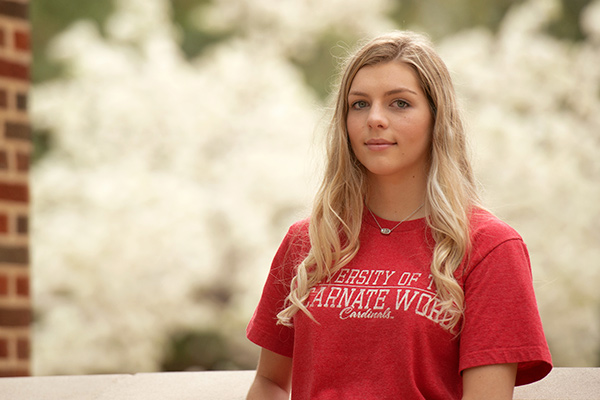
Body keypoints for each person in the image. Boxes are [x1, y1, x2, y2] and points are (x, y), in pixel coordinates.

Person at [245, 30, 552, 400]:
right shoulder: (308, 242)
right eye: (359, 104)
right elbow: (270, 383)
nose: (374, 118)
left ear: (437, 119)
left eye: (399, 104)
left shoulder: (489, 247)